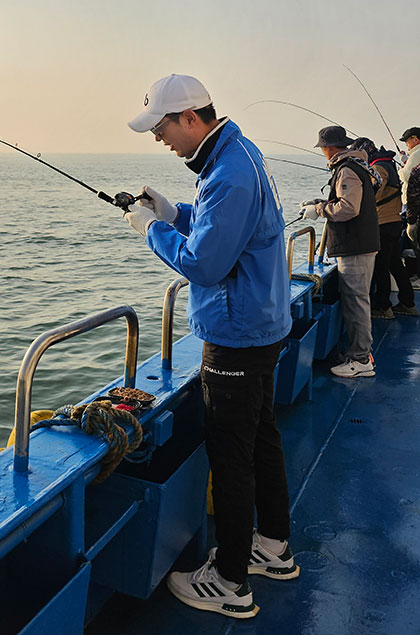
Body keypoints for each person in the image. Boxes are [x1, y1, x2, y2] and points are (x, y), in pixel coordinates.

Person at [124, 73, 296, 621]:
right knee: (262, 439)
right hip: (262, 326)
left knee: (232, 455)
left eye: (163, 128)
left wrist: (150, 229)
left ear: (191, 118)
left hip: (236, 334)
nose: (160, 140)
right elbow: (220, 230)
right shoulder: (235, 155)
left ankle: (230, 582)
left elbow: (204, 262)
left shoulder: (228, 174)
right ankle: (272, 544)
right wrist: (174, 213)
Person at [300, 126, 380, 377]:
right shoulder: (356, 166)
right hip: (360, 244)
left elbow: (348, 208)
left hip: (355, 246)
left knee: (356, 303)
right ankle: (361, 355)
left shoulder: (346, 169)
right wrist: (319, 203)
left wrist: (320, 210)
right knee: (359, 301)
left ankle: (360, 361)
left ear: (329, 148)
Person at [350, 138, 417, 317]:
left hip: (383, 224)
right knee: (395, 265)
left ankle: (383, 307)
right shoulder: (387, 164)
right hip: (394, 222)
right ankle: (408, 303)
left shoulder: (378, 167)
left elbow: (372, 194)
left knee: (381, 267)